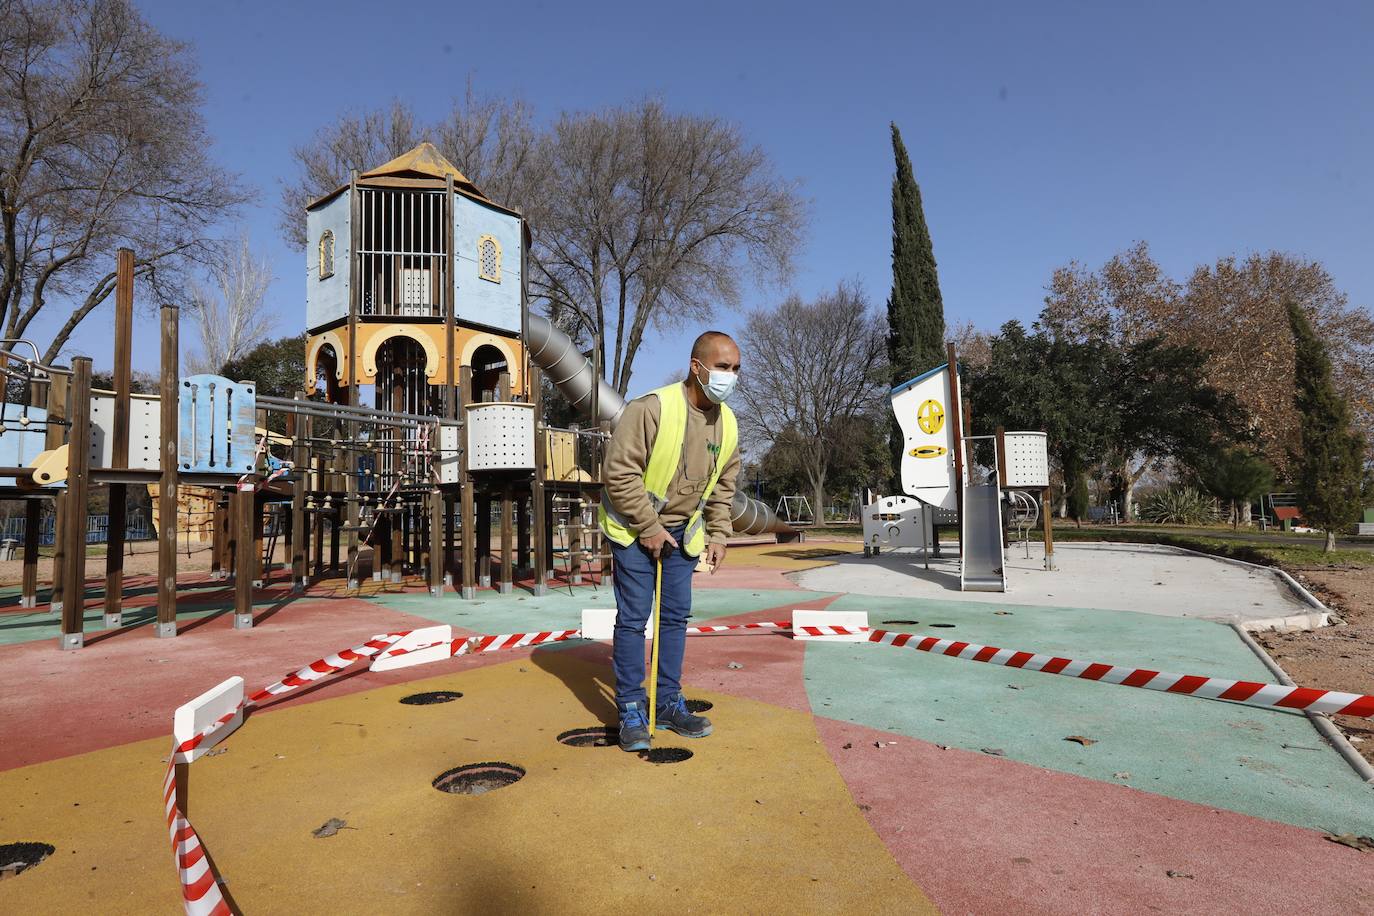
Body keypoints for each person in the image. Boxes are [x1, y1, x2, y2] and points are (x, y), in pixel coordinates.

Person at [598, 330, 742, 752]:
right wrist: (648, 526)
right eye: (721, 367)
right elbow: (619, 473)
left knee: (675, 617)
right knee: (633, 618)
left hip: (684, 534)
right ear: (696, 367)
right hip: (634, 529)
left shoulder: (728, 423)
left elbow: (724, 485)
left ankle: (666, 702)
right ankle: (629, 706)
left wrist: (719, 532)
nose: (729, 377)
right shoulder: (652, 408)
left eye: (734, 369)